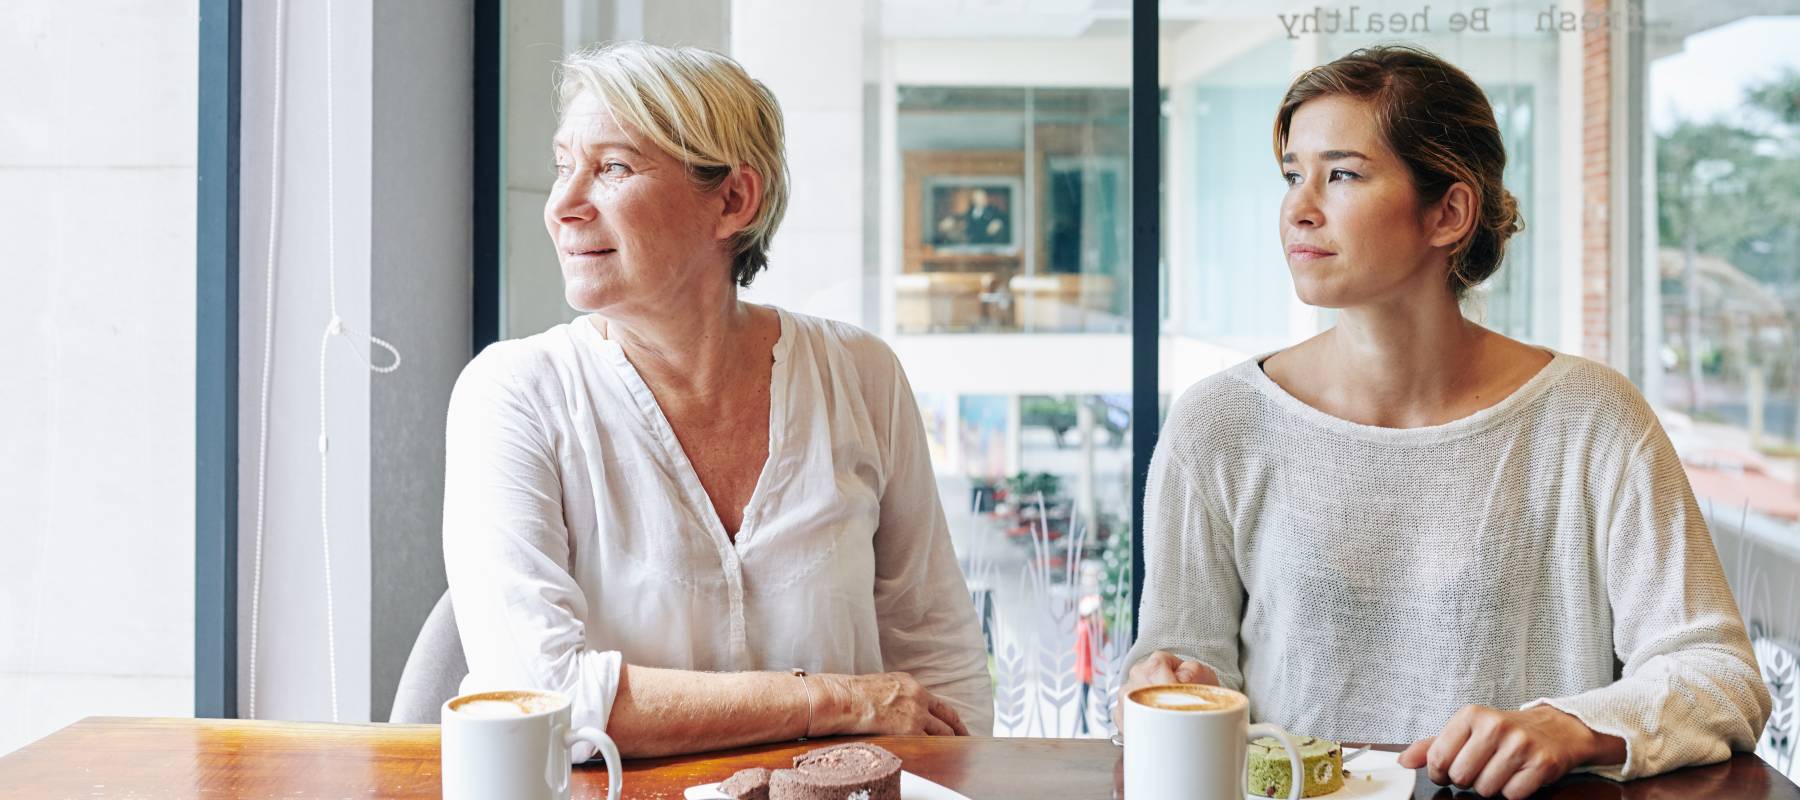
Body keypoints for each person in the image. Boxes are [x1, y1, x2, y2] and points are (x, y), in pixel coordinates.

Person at [1118, 45, 1770, 799]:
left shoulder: (1593, 419)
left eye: (1343, 174)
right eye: (1294, 174)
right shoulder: (1217, 423)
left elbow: (1721, 678)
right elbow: (1170, 675)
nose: (1298, 206)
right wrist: (1161, 683)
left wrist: (1570, 725)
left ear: (1449, 212)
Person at [442, 41, 992, 761]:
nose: (562, 206)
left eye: (611, 167)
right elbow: (541, 695)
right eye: (561, 166)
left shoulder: (862, 376)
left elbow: (939, 658)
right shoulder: (513, 394)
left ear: (733, 200)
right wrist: (838, 699)